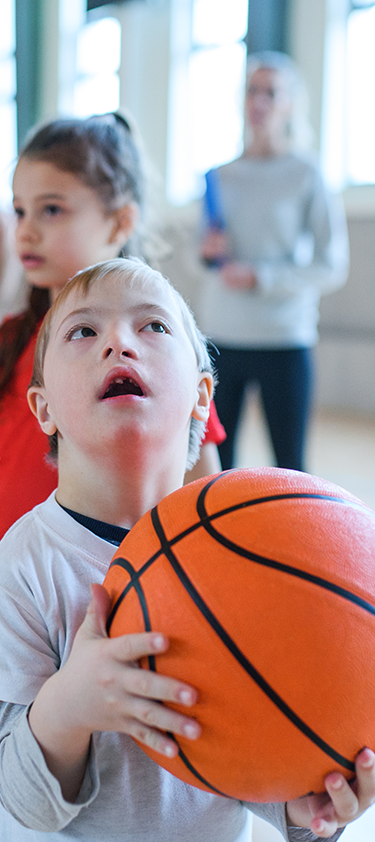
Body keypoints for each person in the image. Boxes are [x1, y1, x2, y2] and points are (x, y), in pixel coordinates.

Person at [0, 256, 373, 841]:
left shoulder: (257, 545)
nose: (119, 343)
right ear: (44, 410)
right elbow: (19, 801)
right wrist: (71, 704)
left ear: (203, 397)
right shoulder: (24, 566)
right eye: (84, 331)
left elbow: (262, 728)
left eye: (153, 326)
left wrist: (302, 806)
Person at [0, 112, 224, 539]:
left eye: (51, 209)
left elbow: (201, 497)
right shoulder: (11, 341)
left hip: (115, 587)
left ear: (120, 221)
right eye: (20, 211)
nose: (26, 231)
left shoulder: (158, 352)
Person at [198, 51, 349, 473]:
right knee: (216, 466)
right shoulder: (219, 175)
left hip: (284, 338)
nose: (259, 100)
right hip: (221, 337)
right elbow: (202, 257)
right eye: (252, 90)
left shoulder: (306, 173)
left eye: (271, 92)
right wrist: (208, 254)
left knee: (290, 467)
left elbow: (331, 263)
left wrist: (261, 277)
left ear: (290, 104)